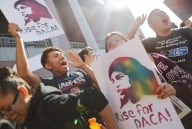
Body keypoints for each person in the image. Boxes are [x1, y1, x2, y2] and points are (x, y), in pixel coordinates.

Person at [105, 31, 192, 129]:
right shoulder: (110, 81)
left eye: (118, 40)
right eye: (110, 45)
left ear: (127, 41)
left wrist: (174, 87)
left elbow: (187, 77)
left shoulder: (155, 58)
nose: (115, 45)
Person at [0, 67, 119, 129]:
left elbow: (93, 97)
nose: (7, 116)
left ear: (23, 92)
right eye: (1, 112)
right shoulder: (23, 123)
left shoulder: (50, 106)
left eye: (8, 108)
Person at [142, 8, 192, 75]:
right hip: (173, 85)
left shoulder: (186, 31)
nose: (163, 14)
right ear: (152, 25)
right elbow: (127, 48)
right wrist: (135, 26)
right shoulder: (149, 43)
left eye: (164, 13)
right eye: (158, 14)